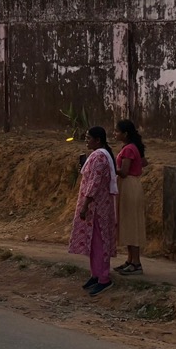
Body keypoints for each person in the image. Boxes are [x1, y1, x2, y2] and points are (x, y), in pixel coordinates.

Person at [68, 125, 118, 296]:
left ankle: (104, 278)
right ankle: (96, 274)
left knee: (100, 241)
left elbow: (94, 184)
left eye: (89, 138)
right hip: (98, 204)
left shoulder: (99, 157)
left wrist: (85, 205)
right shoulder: (99, 155)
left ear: (98, 140)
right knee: (94, 242)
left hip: (97, 206)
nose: (86, 141)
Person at [114, 119, 147, 275]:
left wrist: (111, 167)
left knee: (132, 224)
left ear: (125, 134)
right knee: (129, 223)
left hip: (128, 185)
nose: (115, 134)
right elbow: (144, 162)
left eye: (117, 131)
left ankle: (136, 262)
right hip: (131, 185)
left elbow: (124, 172)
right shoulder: (133, 147)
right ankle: (130, 260)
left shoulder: (128, 149)